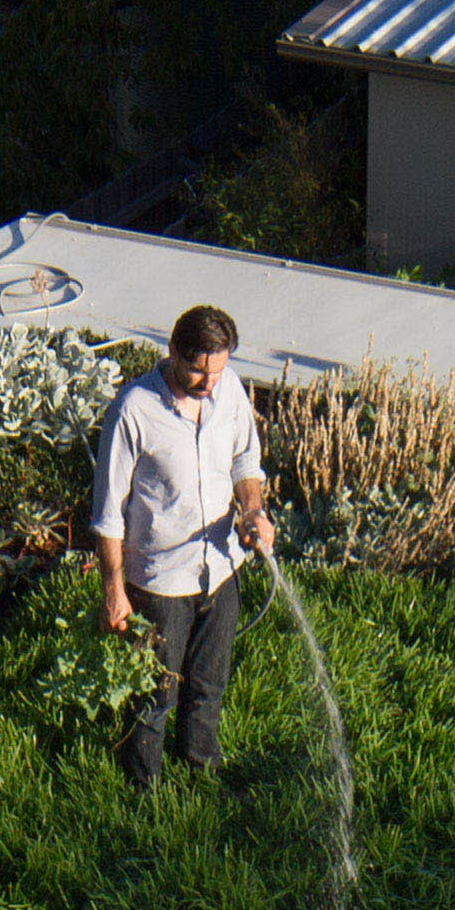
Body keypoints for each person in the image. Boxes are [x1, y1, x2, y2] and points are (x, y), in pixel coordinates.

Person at [91, 305, 271, 789]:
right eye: (197, 369)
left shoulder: (227, 387)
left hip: (221, 567)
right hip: (160, 581)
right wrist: (114, 590)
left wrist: (253, 511)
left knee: (210, 684)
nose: (209, 382)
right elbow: (108, 513)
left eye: (217, 369)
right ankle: (141, 791)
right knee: (154, 693)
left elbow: (244, 458)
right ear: (172, 352)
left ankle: (201, 771)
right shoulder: (134, 409)